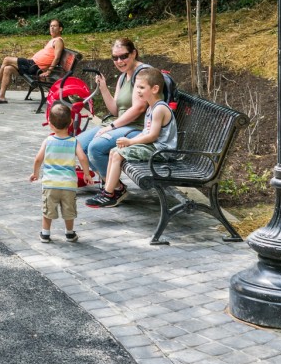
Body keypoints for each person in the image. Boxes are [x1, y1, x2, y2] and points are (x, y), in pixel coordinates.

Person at [87, 67, 176, 208]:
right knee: (114, 151)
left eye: (141, 87)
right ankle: (109, 191)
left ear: (154, 89)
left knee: (117, 155)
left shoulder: (159, 109)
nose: (137, 91)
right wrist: (130, 143)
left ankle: (109, 194)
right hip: (153, 147)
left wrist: (130, 141)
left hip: (161, 151)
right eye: (136, 87)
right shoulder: (151, 107)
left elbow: (152, 136)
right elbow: (146, 132)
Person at [76, 37, 153, 189]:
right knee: (78, 144)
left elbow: (139, 108)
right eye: (115, 58)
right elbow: (115, 110)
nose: (119, 61)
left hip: (137, 128)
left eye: (123, 56)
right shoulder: (124, 76)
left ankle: (114, 189)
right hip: (121, 125)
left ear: (133, 54)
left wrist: (111, 127)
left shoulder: (143, 73)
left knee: (95, 148)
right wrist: (103, 88)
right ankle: (111, 182)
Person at [30, 102, 92, 242]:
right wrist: (87, 174)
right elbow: (82, 158)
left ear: (50, 124)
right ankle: (69, 233)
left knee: (48, 210)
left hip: (50, 184)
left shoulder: (48, 141)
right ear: (71, 122)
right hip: (68, 185)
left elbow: (38, 159)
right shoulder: (74, 142)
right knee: (68, 211)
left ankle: (45, 233)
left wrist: (35, 173)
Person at [0, 18, 64, 104]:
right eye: (51, 26)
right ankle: (1, 96)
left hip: (35, 67)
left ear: (60, 29)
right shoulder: (53, 40)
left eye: (54, 26)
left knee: (7, 59)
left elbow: (57, 58)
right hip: (32, 64)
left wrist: (49, 71)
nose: (52, 28)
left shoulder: (58, 41)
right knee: (8, 69)